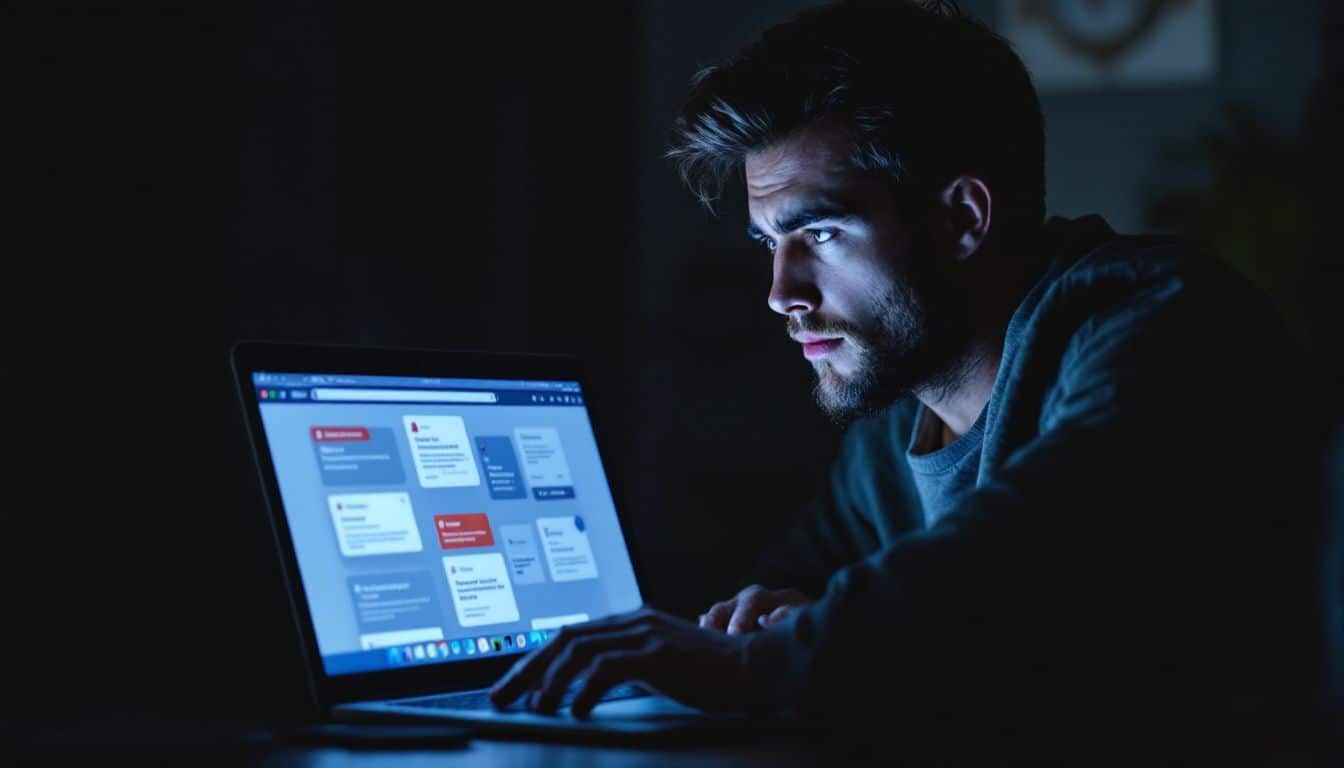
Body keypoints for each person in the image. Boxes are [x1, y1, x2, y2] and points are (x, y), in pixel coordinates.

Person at [491, 0, 1320, 746]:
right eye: (767, 244)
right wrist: (765, 617)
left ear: (962, 217)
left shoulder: (1161, 320)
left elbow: (1035, 549)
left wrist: (758, 664)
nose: (781, 294)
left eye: (819, 235)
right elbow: (802, 581)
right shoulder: (896, 423)